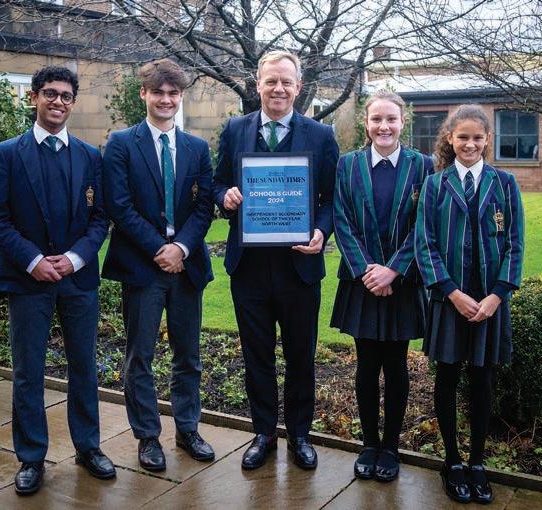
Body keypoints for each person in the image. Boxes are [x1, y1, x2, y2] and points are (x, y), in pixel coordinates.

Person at [0, 66, 114, 495]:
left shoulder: (90, 156)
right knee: (28, 371)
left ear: (73, 102)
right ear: (34, 97)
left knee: (84, 367)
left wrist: (74, 259)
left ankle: (88, 447)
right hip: (28, 281)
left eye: (66, 96)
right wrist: (33, 260)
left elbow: (100, 218)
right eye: (50, 94)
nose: (58, 102)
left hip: (77, 280)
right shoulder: (6, 154)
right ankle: (31, 457)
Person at [213, 50, 339, 470]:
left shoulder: (320, 135)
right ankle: (264, 433)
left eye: (286, 81)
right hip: (248, 268)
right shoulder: (235, 129)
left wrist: (321, 231)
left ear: (298, 87)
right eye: (271, 81)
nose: (278, 88)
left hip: (298, 268)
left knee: (301, 356)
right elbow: (217, 183)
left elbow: (331, 199)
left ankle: (299, 434)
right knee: (257, 356)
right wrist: (226, 197)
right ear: (258, 84)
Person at [102, 59, 215, 472]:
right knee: (140, 356)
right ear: (144, 94)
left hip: (186, 267)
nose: (165, 100)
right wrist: (159, 249)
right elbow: (119, 205)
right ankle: (147, 436)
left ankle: (188, 430)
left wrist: (181, 248)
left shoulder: (197, 148)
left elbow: (205, 206)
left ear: (180, 96)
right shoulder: (120, 144)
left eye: (173, 93)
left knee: (188, 356)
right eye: (158, 93)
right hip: (142, 266)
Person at [415, 104, 524, 504]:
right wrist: (451, 292)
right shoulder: (435, 185)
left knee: (482, 381)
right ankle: (452, 461)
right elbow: (425, 243)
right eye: (463, 137)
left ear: (487, 140)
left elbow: (515, 243)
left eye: (478, 138)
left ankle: (477, 462)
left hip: (489, 303)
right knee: (446, 378)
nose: (470, 144)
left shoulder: (505, 184)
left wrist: (497, 295)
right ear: (450, 138)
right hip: (450, 300)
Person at [331, 90, 433, 482]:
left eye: (391, 119)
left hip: (402, 282)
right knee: (366, 365)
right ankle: (369, 444)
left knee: (396, 365)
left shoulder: (422, 166)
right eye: (376, 119)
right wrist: (367, 271)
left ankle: (391, 447)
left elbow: (424, 224)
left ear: (403, 121)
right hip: (362, 282)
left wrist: (393, 270)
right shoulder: (348, 165)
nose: (384, 126)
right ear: (366, 122)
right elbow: (342, 219)